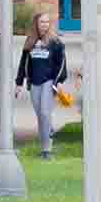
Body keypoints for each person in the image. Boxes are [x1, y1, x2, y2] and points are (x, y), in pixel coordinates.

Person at [17, 16, 70, 158]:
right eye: (42, 22)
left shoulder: (56, 42)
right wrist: (19, 83)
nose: (44, 25)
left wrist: (58, 81)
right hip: (34, 82)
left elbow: (62, 64)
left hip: (49, 82)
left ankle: (48, 150)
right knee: (40, 116)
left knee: (45, 113)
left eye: (47, 22)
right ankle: (45, 142)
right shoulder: (30, 42)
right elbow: (23, 63)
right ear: (36, 24)